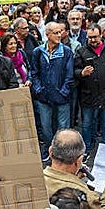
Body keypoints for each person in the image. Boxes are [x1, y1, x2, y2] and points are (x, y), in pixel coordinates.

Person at [75, 20, 105, 149]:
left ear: (101, 35)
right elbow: (74, 70)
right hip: (88, 95)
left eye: (95, 37)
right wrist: (82, 73)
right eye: (90, 37)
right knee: (87, 123)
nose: (93, 40)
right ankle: (87, 147)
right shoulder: (81, 51)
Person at [29, 25, 75, 159]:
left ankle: (62, 151)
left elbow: (69, 75)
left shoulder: (66, 52)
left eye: (60, 32)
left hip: (61, 97)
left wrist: (63, 92)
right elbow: (34, 73)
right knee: (46, 126)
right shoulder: (38, 52)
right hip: (44, 96)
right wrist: (38, 89)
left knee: (63, 127)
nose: (59, 35)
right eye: (55, 33)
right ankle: (49, 148)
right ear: (48, 35)